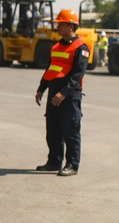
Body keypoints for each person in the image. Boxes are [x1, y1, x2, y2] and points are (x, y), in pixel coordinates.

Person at [35, 9, 88, 176]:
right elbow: (50, 69)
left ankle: (72, 164)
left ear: (71, 26)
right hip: (53, 93)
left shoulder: (81, 47)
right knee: (53, 130)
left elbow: (77, 75)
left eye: (60, 24)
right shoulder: (56, 46)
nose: (57, 26)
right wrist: (41, 89)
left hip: (70, 96)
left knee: (71, 132)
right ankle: (54, 161)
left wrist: (64, 93)